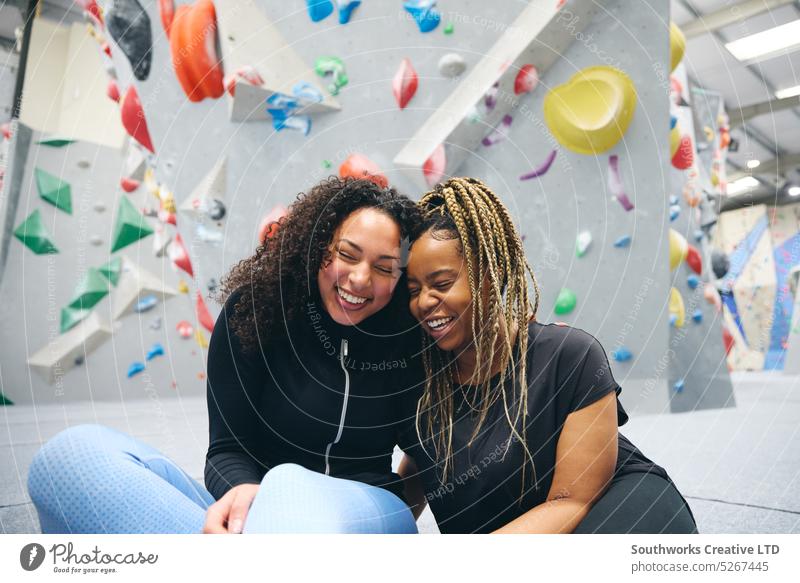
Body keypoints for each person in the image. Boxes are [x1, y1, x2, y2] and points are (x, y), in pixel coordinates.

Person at [27, 177, 423, 534]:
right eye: (347, 254)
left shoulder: (411, 342)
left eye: (384, 268)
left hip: (365, 514)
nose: (359, 278)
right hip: (255, 515)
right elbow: (226, 449)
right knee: (70, 457)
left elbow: (434, 455)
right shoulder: (255, 312)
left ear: (402, 278)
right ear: (318, 247)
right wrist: (240, 495)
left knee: (288, 485)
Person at [398, 177, 698, 534]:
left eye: (443, 283)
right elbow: (425, 460)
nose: (424, 301)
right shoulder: (422, 383)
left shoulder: (569, 357)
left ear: (490, 276)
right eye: (414, 290)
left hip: (613, 511)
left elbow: (571, 502)